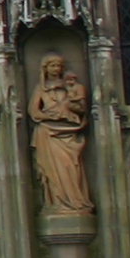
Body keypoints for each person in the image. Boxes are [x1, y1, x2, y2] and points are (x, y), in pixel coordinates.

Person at [27, 53, 92, 216]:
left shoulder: (71, 86)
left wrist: (72, 106)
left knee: (70, 167)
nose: (57, 69)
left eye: (59, 66)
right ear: (45, 68)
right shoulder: (41, 88)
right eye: (53, 66)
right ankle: (56, 203)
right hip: (48, 133)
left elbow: (81, 108)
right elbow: (33, 111)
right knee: (52, 172)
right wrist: (49, 116)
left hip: (69, 131)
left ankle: (76, 202)